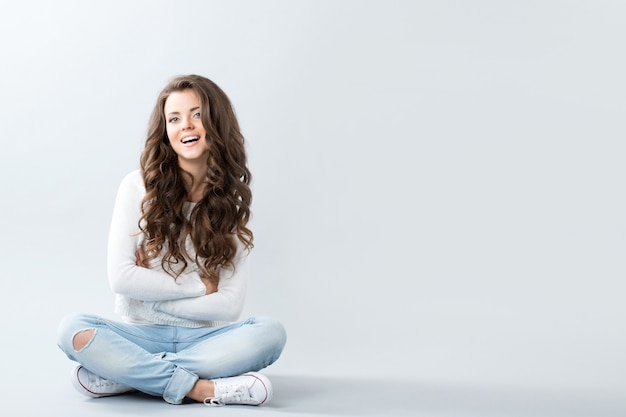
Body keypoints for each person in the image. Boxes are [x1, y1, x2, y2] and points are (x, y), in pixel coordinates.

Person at [57, 74, 287, 406]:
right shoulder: (137, 187)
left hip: (206, 339)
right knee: (72, 329)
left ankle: (130, 376)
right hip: (140, 335)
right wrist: (199, 287)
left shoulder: (231, 205)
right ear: (165, 130)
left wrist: (151, 291)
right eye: (174, 118)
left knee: (270, 334)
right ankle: (203, 389)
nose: (186, 126)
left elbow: (230, 306)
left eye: (197, 114)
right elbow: (121, 279)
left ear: (216, 122)